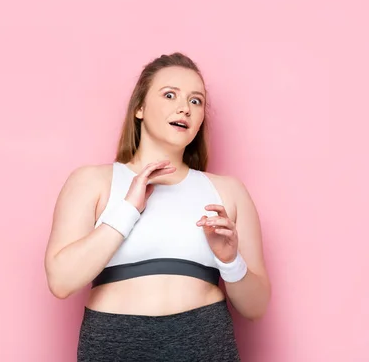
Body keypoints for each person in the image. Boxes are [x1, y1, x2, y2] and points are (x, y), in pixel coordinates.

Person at [44, 52, 271, 361]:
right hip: (115, 344)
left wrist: (230, 261)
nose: (184, 108)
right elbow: (61, 281)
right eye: (169, 95)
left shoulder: (228, 191)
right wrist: (127, 211)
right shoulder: (92, 181)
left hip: (203, 342)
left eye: (196, 101)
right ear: (139, 108)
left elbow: (255, 307)